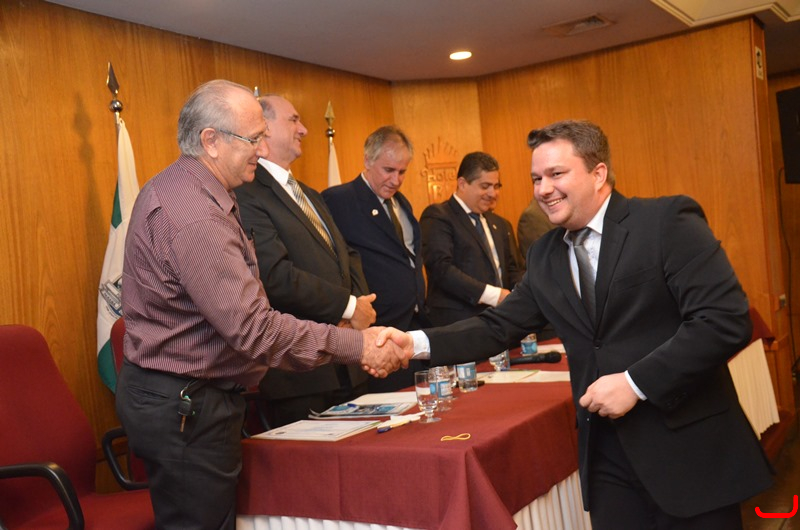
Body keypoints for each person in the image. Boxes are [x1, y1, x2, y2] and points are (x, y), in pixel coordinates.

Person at [380, 120, 773, 529]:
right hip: (607, 461)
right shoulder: (545, 255)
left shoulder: (665, 222)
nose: (543, 189)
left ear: (598, 173)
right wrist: (413, 343)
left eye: (556, 174)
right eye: (536, 178)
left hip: (689, 454)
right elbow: (498, 326)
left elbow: (723, 320)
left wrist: (635, 383)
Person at [115, 80, 407, 530]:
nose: (261, 148)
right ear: (211, 140)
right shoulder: (193, 213)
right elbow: (253, 328)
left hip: (194, 399)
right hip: (186, 406)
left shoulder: (199, 190)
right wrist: (357, 344)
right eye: (253, 139)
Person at [234, 95, 375, 427]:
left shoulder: (309, 194)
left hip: (349, 366)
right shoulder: (245, 194)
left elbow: (347, 255)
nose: (304, 129)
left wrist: (358, 308)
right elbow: (275, 275)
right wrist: (347, 308)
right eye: (294, 120)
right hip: (302, 376)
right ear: (264, 129)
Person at [323, 125, 429, 391]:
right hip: (374, 332)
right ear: (368, 160)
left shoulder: (401, 203)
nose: (396, 180)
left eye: (402, 172)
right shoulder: (339, 200)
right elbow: (333, 263)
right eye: (389, 170)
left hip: (410, 326)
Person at [420, 151, 524, 326]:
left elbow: (513, 270)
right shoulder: (438, 216)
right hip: (459, 324)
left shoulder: (501, 224)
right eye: (485, 186)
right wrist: (494, 296)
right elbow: (441, 269)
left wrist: (521, 295)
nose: (493, 193)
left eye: (496, 186)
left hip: (502, 322)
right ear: (462, 184)